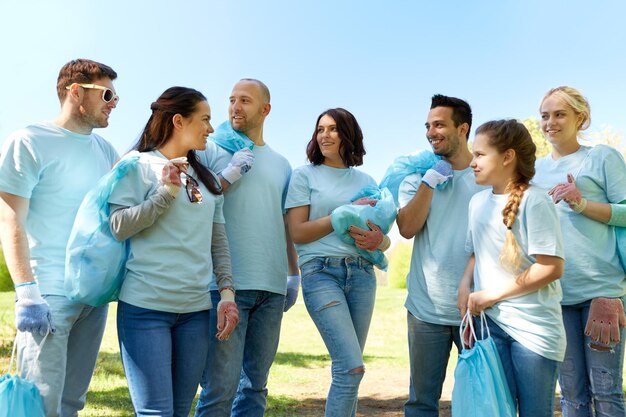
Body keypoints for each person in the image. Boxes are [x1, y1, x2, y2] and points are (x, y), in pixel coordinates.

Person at [107, 86, 238, 417]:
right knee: (156, 413)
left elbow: (217, 240)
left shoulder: (205, 179)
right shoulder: (136, 165)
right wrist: (164, 194)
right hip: (145, 309)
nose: (211, 128)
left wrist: (227, 293)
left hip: (195, 312)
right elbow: (118, 225)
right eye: (205, 119)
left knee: (181, 411)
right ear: (179, 121)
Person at [0, 59, 119, 417]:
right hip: (48, 296)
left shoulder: (106, 152)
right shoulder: (30, 140)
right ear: (76, 92)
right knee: (40, 402)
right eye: (108, 94)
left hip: (92, 296)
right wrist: (27, 292)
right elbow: (9, 216)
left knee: (71, 402)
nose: (114, 103)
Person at [195, 79, 299, 417]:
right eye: (232, 100)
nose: (235, 107)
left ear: (265, 110)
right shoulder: (211, 150)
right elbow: (194, 202)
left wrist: (293, 275)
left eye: (245, 101)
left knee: (256, 386)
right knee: (219, 388)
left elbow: (286, 223)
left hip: (271, 288)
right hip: (226, 287)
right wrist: (227, 173)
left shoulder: (282, 165)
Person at [285, 108, 390, 416]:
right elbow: (297, 232)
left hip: (361, 274)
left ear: (348, 135)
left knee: (348, 371)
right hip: (320, 272)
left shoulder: (366, 179)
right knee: (352, 367)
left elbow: (381, 234)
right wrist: (343, 212)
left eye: (333, 129)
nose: (325, 135)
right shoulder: (304, 175)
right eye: (320, 129)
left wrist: (380, 241)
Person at [457, 119, 565, 416]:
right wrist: (465, 288)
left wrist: (490, 295)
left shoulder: (536, 200)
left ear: (507, 156)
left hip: (533, 331)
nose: (473, 162)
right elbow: (476, 253)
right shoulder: (477, 203)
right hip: (490, 325)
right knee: (495, 410)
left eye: (480, 155)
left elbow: (551, 268)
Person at [532, 86, 626, 416]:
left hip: (602, 292)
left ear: (580, 118)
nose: (550, 122)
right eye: (545, 115)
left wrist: (581, 203)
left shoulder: (601, 157)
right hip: (556, 293)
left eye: (559, 114)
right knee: (571, 394)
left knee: (606, 392)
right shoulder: (534, 169)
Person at [395, 94, 483, 416]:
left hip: (476, 308)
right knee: (421, 402)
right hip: (425, 310)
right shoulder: (417, 178)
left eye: (440, 124)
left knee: (478, 397)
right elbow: (406, 227)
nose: (432, 131)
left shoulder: (486, 177)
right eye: (428, 126)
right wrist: (428, 183)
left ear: (463, 128)